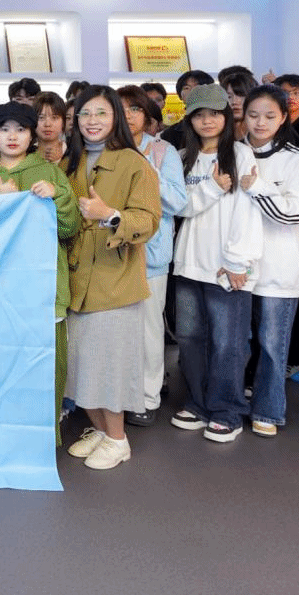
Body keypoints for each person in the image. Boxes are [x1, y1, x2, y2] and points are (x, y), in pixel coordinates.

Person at [60, 87, 162, 470]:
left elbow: (148, 220)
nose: (92, 121)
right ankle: (102, 432)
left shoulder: (135, 163)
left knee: (109, 368)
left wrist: (109, 214)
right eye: (85, 113)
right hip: (75, 279)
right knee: (81, 366)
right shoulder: (70, 161)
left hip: (113, 278)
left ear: (116, 117)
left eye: (101, 113)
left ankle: (118, 439)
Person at [0, 102, 80, 423]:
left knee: (46, 367)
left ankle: (46, 437)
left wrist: (57, 196)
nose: (12, 136)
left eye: (20, 129)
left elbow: (69, 227)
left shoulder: (49, 172)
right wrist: (0, 202)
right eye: (4, 129)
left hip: (43, 289)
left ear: (32, 135)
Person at [169, 84, 264, 444]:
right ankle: (199, 403)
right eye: (199, 115)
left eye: (214, 114)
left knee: (228, 343)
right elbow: (178, 206)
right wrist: (210, 188)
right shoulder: (182, 158)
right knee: (190, 339)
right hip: (188, 264)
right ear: (190, 120)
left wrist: (239, 261)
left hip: (227, 267)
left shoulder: (240, 154)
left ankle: (227, 411)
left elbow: (247, 210)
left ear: (226, 117)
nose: (207, 121)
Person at [239, 84, 299, 437]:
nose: (260, 123)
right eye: (253, 115)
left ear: (284, 117)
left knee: (272, 344)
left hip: (280, 267)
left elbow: (297, 212)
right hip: (236, 267)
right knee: (234, 343)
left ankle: (268, 410)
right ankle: (232, 402)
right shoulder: (233, 152)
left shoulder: (296, 159)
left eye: (270, 116)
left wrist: (257, 188)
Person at [117, 86, 186, 428]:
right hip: (111, 252)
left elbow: (178, 201)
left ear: (147, 116)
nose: (128, 115)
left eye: (135, 109)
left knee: (148, 328)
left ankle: (147, 396)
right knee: (115, 330)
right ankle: (116, 395)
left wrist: (147, 170)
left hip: (151, 254)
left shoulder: (162, 151)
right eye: (121, 108)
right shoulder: (101, 148)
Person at [160, 69, 215, 149]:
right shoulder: (170, 134)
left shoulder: (223, 126)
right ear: (180, 95)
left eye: (198, 87)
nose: (192, 91)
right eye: (187, 88)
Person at [34, 92, 67, 164]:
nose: (47, 124)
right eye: (41, 118)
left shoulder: (71, 152)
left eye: (54, 118)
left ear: (63, 122)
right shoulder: (24, 154)